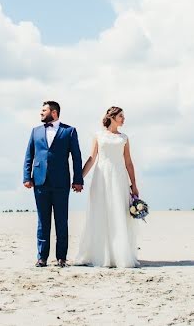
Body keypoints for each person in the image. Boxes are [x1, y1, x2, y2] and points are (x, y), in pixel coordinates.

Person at [74, 106, 140, 268]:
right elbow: (91, 159)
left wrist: (134, 185)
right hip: (101, 177)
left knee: (118, 212)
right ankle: (100, 254)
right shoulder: (98, 136)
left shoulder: (124, 138)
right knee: (100, 212)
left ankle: (119, 255)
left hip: (118, 178)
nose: (123, 119)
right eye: (121, 116)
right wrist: (79, 178)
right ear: (111, 117)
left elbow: (128, 162)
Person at [23, 100, 84, 267]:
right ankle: (42, 257)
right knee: (43, 221)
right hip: (40, 182)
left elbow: (76, 157)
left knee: (61, 221)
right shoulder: (35, 131)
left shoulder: (69, 131)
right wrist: (26, 177)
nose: (41, 113)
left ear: (54, 112)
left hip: (61, 182)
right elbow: (29, 155)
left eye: (44, 110)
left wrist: (78, 180)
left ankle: (61, 257)